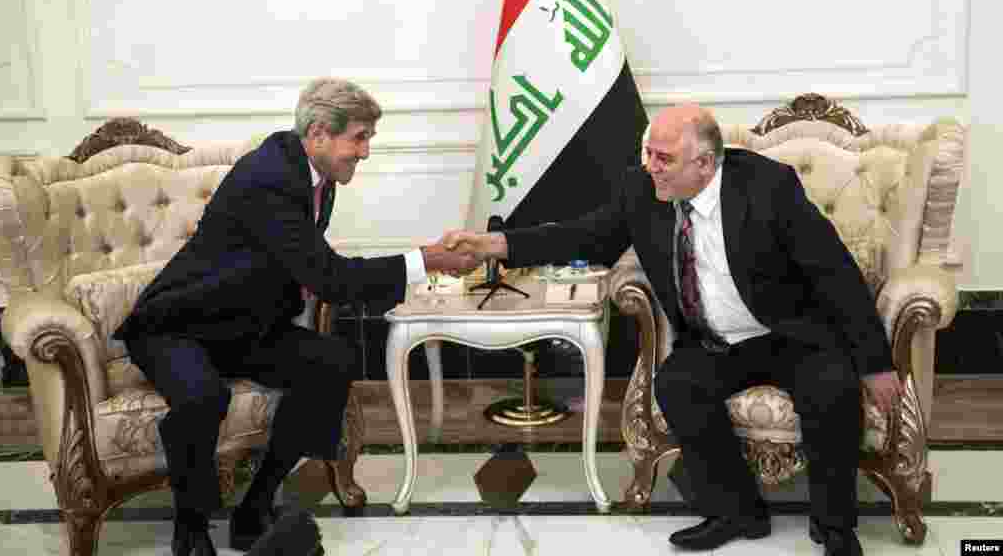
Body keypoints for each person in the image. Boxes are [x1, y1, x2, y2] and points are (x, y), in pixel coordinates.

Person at [441, 103, 900, 556]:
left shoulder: (767, 186)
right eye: (649, 154)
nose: (651, 168)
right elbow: (582, 235)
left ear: (704, 163)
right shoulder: (642, 190)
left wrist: (876, 363)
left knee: (833, 389)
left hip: (790, 332)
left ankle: (835, 526)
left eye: (664, 158)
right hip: (717, 340)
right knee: (679, 384)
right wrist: (492, 245)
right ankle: (737, 512)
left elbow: (834, 272)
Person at [114, 78, 477, 556]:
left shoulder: (316, 176)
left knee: (331, 359)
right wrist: (426, 260)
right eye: (361, 137)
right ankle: (191, 527)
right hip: (176, 326)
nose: (365, 152)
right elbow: (332, 279)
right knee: (203, 397)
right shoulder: (269, 177)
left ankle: (255, 506)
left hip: (239, 325)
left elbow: (310, 267)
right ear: (321, 132)